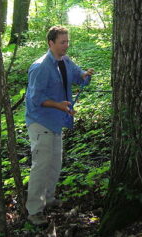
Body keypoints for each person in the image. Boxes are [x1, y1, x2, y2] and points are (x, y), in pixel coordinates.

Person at [25, 26, 94, 226]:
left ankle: (49, 198)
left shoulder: (64, 61)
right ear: (51, 43)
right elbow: (35, 98)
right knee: (41, 166)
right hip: (41, 122)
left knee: (55, 163)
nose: (66, 45)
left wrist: (84, 75)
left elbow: (76, 74)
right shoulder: (40, 67)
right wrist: (59, 105)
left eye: (67, 41)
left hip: (56, 122)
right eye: (62, 42)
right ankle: (34, 211)